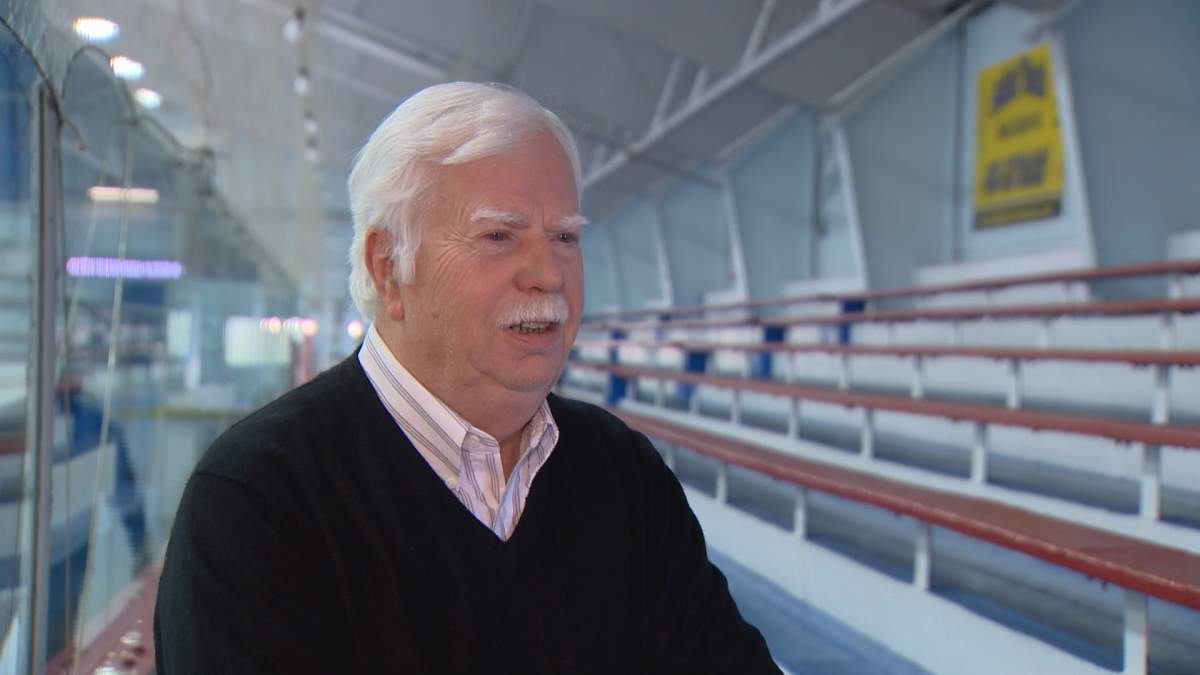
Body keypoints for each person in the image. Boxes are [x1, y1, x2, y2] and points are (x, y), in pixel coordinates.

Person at [154, 82, 780, 674]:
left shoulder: (623, 473)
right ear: (389, 268)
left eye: (565, 236)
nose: (549, 274)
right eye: (499, 236)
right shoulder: (258, 500)